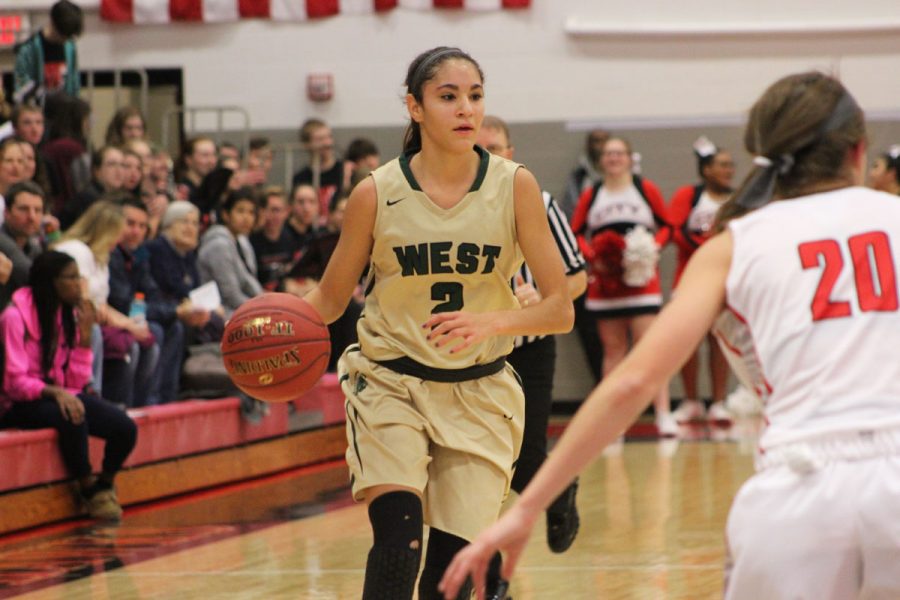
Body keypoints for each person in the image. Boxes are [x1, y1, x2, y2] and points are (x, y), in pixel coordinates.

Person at [440, 72, 900, 600]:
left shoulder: (732, 246)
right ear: (859, 150)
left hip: (799, 491)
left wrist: (526, 509)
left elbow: (632, 381)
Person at [302, 47, 573, 600]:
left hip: (479, 392)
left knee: (450, 576)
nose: (465, 108)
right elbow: (330, 301)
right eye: (448, 97)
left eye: (474, 96)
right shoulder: (375, 192)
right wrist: (271, 330)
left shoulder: (514, 185)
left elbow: (560, 308)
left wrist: (491, 320)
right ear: (415, 107)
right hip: (389, 382)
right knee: (398, 542)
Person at [477, 115, 587, 569]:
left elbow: (577, 277)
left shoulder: (538, 202)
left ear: (511, 151)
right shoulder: (445, 205)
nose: (488, 157)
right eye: (479, 149)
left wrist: (543, 294)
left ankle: (557, 492)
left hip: (531, 343)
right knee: (477, 464)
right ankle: (483, 565)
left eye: (496, 148)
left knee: (525, 456)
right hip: (474, 349)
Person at [0, 251, 137, 520]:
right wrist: (55, 392)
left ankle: (105, 484)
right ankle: (87, 488)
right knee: (73, 417)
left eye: (79, 276)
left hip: (56, 395)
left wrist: (84, 340)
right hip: (18, 403)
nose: (79, 284)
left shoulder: (67, 315)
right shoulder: (14, 317)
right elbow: (13, 382)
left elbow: (74, 383)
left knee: (125, 428)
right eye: (71, 278)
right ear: (52, 282)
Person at [570, 136, 676, 436]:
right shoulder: (592, 195)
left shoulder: (645, 189)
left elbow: (667, 226)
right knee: (613, 351)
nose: (614, 158)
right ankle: (612, 421)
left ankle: (663, 414)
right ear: (601, 161)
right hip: (606, 284)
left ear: (630, 158)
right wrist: (593, 256)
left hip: (641, 281)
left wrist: (651, 248)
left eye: (619, 153)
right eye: (608, 154)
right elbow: (576, 232)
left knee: (651, 349)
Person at [669, 138, 735, 424]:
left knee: (719, 342)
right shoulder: (689, 195)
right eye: (722, 165)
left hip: (727, 280)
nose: (729, 170)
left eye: (731, 165)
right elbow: (676, 231)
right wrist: (708, 249)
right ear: (707, 170)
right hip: (690, 281)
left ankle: (718, 401)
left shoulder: (738, 199)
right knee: (689, 342)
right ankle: (692, 400)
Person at [197, 187, 263, 317]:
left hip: (243, 307)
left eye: (251, 213)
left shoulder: (243, 241)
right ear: (226, 214)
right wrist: (261, 309)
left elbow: (249, 283)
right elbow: (230, 295)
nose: (246, 217)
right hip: (220, 311)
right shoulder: (218, 245)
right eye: (240, 211)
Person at [13, 0, 83, 105]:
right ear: (53, 23)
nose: (64, 39)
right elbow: (22, 86)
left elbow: (73, 83)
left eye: (68, 36)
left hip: (63, 112)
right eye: (62, 35)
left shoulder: (70, 47)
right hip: (37, 111)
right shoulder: (28, 49)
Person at [292, 118, 344, 219]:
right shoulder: (300, 178)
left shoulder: (343, 170)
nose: (327, 143)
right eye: (320, 139)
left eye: (329, 137)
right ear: (307, 144)